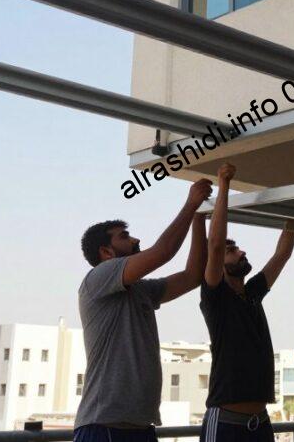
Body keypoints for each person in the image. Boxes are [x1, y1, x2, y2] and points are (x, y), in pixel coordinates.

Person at [74, 179, 212, 442]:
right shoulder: (99, 277)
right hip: (104, 427)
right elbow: (163, 252)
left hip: (139, 426)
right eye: (124, 237)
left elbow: (193, 276)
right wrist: (191, 204)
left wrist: (198, 218)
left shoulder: (140, 290)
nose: (136, 239)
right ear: (106, 252)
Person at [199, 162, 294, 441]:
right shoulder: (216, 296)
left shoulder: (252, 292)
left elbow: (282, 254)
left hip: (260, 422)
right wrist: (224, 184)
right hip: (225, 423)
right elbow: (215, 245)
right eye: (232, 250)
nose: (241, 252)